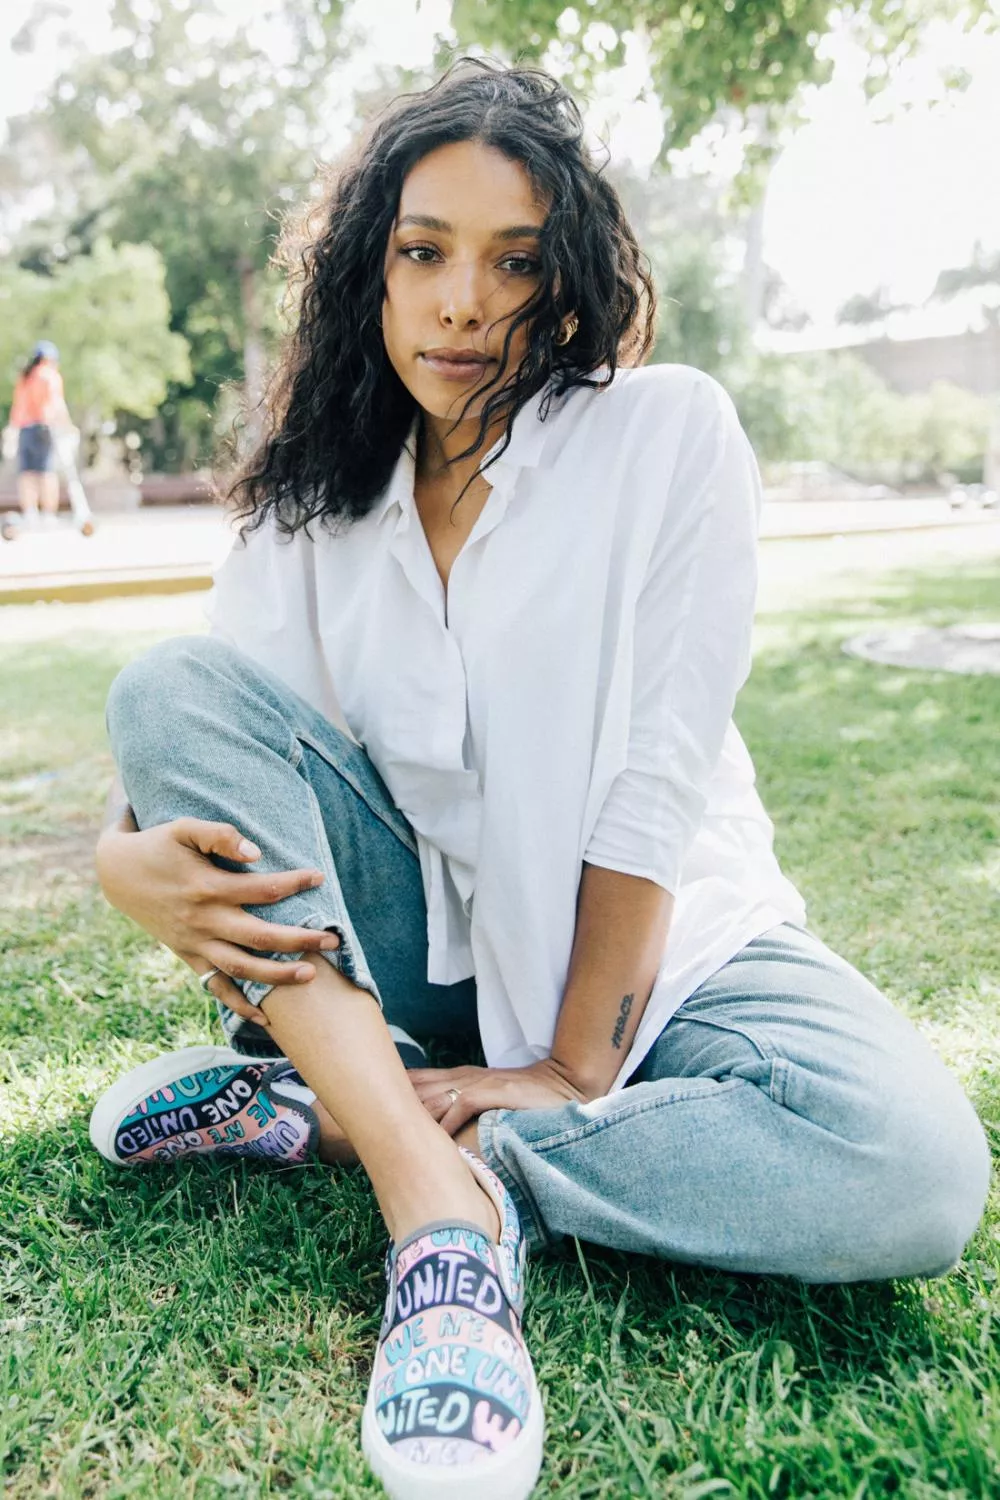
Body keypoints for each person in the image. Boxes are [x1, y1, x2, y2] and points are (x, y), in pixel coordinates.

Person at [88, 62, 991, 1500]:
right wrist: (113, 856)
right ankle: (432, 1203)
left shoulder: (664, 436)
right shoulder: (313, 501)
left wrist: (571, 1072)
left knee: (911, 1170)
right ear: (369, 271)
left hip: (669, 953)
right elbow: (219, 737)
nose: (462, 304)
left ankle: (338, 1116)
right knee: (160, 683)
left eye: (512, 262)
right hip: (422, 950)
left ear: (564, 279)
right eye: (423, 252)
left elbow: (656, 781)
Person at [6, 341, 94, 534]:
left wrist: (12, 430)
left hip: (24, 429)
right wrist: (68, 426)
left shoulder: (25, 377)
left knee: (27, 473)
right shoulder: (49, 375)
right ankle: (48, 514)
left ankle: (30, 513)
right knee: (47, 472)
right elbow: (56, 403)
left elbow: (17, 407)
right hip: (43, 428)